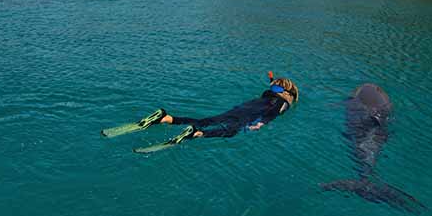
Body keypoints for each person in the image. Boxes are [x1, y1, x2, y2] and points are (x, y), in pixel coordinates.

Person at [102, 74, 299, 152]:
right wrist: (261, 124)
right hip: (246, 116)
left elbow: (270, 93)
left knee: (203, 120)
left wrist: (273, 82)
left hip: (238, 109)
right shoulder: (283, 103)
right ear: (290, 93)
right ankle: (196, 134)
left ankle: (164, 117)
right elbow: (272, 111)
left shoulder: (267, 94)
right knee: (230, 132)